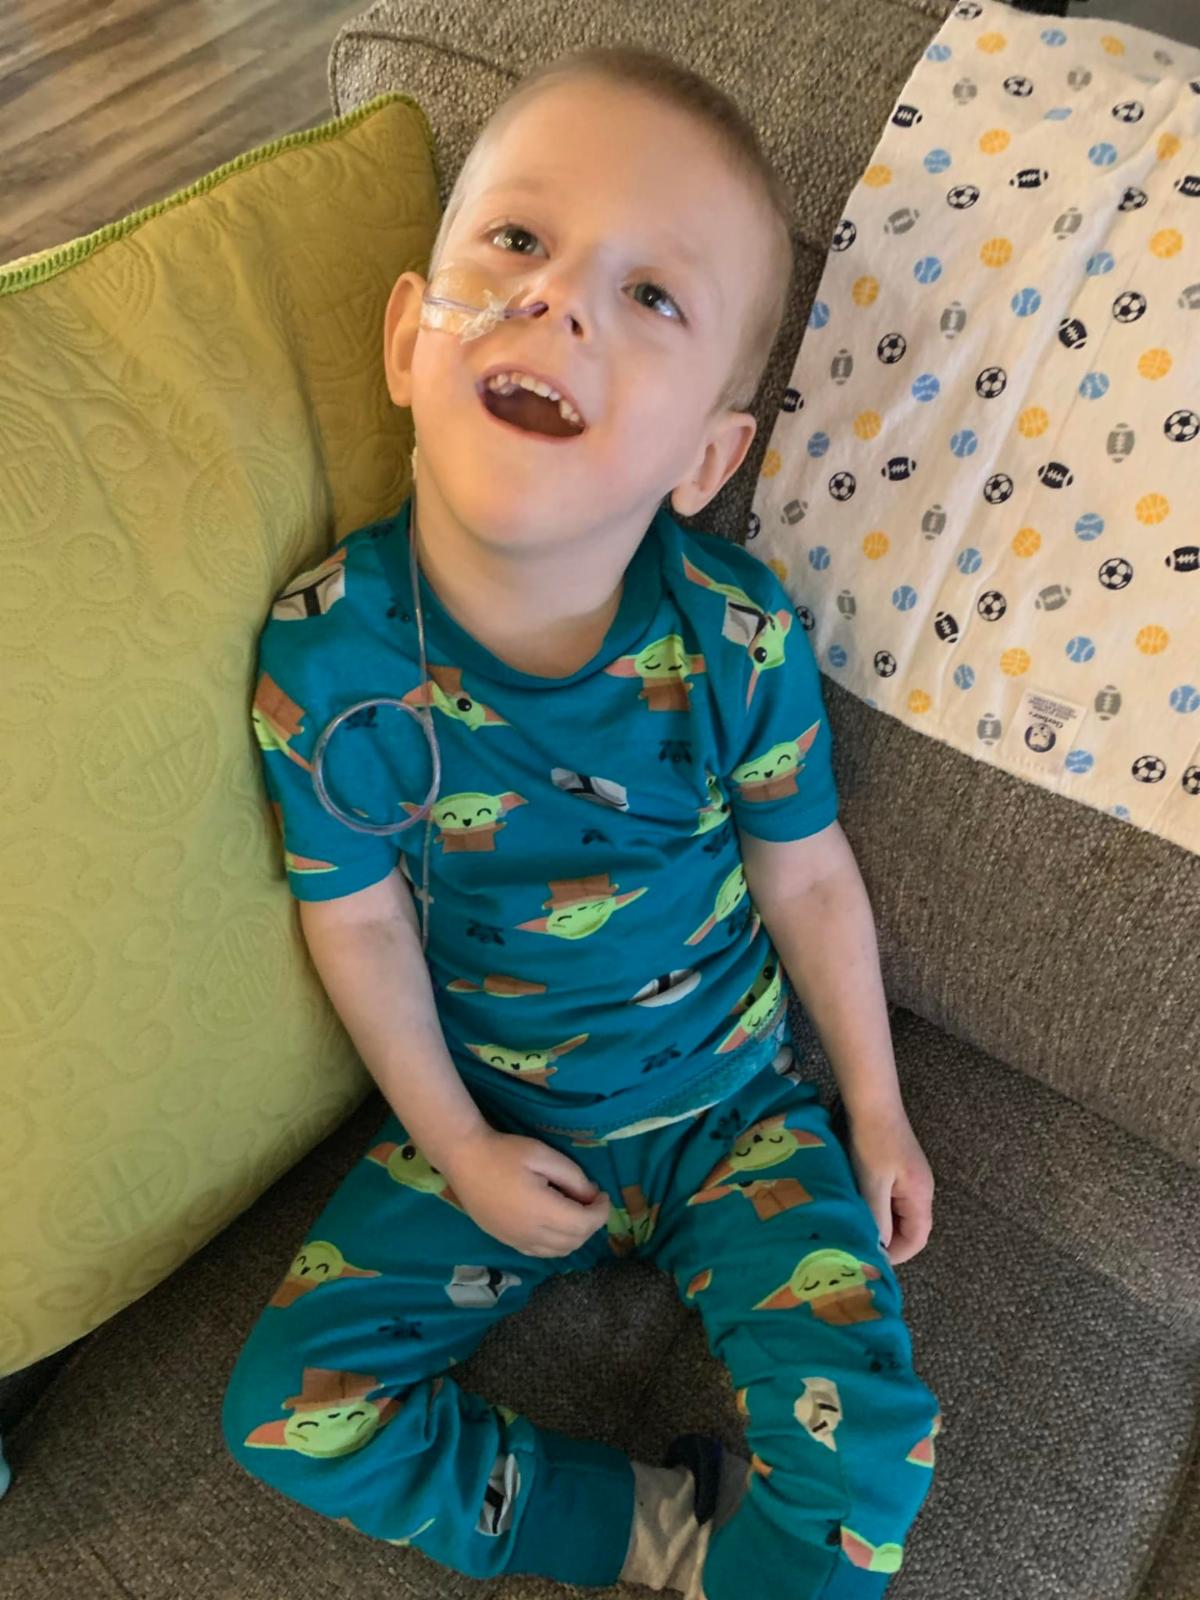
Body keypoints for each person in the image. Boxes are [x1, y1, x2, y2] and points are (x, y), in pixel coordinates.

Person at [223, 43, 940, 1600]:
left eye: (651, 295)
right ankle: (651, 1532)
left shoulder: (735, 637)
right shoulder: (326, 660)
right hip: (493, 1118)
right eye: (517, 240)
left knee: (868, 1473)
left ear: (705, 461)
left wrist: (876, 1107)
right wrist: (458, 1145)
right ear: (409, 339)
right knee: (283, 1412)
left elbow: (809, 877)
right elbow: (357, 921)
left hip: (736, 1114)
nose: (555, 302)